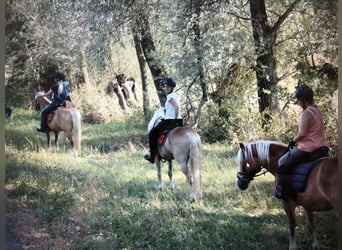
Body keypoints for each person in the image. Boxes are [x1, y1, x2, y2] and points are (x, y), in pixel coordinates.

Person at [274, 84, 329, 199]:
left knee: (282, 164)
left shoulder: (306, 113)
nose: (297, 102)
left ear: (303, 99)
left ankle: (286, 194)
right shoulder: (317, 110)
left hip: (308, 148)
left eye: (298, 100)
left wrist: (293, 140)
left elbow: (302, 133)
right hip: (322, 146)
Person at [144, 77, 183, 163]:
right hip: (180, 121)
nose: (166, 88)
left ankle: (152, 156)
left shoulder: (170, 97)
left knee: (152, 133)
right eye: (166, 86)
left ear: (172, 87)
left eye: (168, 86)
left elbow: (176, 108)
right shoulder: (176, 96)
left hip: (170, 122)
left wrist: (174, 120)